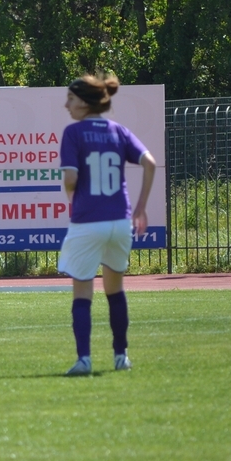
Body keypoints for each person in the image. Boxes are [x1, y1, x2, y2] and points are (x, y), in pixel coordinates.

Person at [57, 74, 156, 376]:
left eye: (71, 99)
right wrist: (141, 207)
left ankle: (84, 359)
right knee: (115, 291)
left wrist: (73, 196)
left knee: (82, 292)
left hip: (88, 220)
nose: (66, 105)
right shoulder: (119, 131)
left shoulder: (73, 132)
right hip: (119, 220)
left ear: (85, 102)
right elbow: (150, 162)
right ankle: (121, 356)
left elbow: (71, 178)